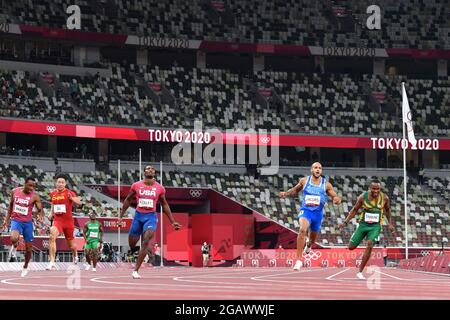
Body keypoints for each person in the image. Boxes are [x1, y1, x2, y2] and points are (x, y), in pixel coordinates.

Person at [119, 165, 181, 279]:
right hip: (138, 216)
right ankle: (134, 250)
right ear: (144, 172)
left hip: (151, 217)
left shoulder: (160, 188)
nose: (150, 170)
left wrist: (172, 221)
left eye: (152, 169)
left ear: (155, 173)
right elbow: (128, 199)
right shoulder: (136, 185)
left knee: (146, 240)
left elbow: (165, 204)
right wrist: (121, 216)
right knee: (132, 242)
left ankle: (136, 270)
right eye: (147, 168)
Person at [279, 162, 341, 271]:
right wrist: (286, 193)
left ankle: (309, 245)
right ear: (311, 170)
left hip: (317, 214)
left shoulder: (326, 184)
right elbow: (294, 190)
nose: (318, 170)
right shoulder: (304, 181)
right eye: (315, 168)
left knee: (312, 239)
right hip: (306, 211)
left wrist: (336, 199)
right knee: (302, 230)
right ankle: (298, 261)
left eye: (320, 168)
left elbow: (334, 195)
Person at [338, 179, 395, 280]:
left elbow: (387, 210)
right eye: (374, 189)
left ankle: (360, 272)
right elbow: (355, 210)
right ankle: (356, 235)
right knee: (351, 247)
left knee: (370, 244)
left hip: (375, 226)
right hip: (363, 225)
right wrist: (345, 222)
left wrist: (390, 223)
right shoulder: (362, 197)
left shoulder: (385, 198)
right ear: (369, 188)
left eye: (378, 189)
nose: (376, 191)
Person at [0, 177, 44, 277]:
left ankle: (25, 266)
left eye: (33, 186)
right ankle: (15, 247)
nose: (31, 188)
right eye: (30, 185)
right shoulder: (14, 192)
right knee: (14, 238)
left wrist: (40, 215)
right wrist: (7, 220)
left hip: (28, 223)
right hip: (16, 220)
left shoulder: (35, 196)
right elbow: (11, 206)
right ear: (24, 184)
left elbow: (40, 208)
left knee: (29, 249)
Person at [46, 174, 82, 270]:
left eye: (62, 182)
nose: (60, 184)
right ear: (56, 183)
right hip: (58, 221)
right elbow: (53, 204)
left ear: (65, 183)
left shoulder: (70, 193)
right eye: (58, 182)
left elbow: (79, 202)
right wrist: (51, 213)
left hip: (68, 222)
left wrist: (72, 199)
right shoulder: (53, 194)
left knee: (72, 246)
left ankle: (75, 254)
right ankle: (52, 262)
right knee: (52, 236)